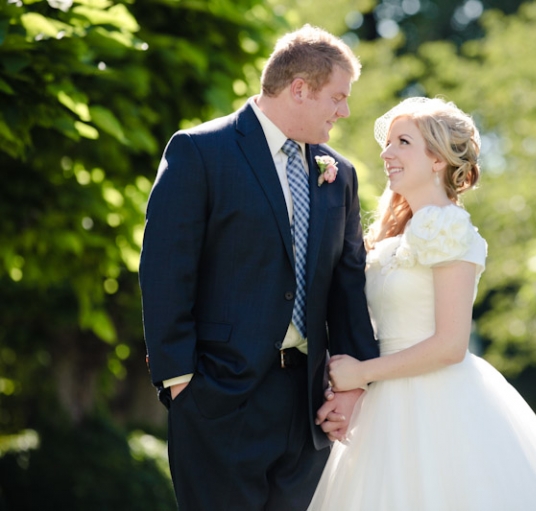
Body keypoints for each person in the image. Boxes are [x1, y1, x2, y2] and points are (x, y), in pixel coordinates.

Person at [307, 97, 536, 510]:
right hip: (384, 406)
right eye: (387, 143)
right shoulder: (396, 235)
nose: (386, 153)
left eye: (402, 142)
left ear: (438, 159)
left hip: (438, 403)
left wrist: (362, 373)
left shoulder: (449, 227)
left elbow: (450, 345)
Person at [139, 25, 378, 511]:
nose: (344, 111)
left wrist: (352, 389)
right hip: (217, 402)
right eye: (337, 97)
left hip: (308, 411)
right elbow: (166, 269)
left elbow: (348, 286)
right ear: (299, 89)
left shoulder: (340, 175)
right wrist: (180, 382)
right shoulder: (200, 152)